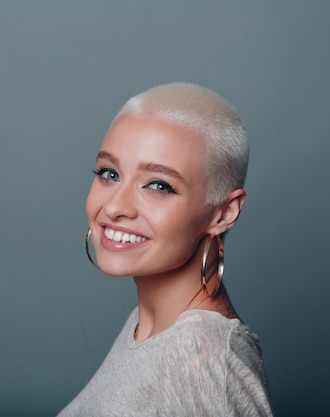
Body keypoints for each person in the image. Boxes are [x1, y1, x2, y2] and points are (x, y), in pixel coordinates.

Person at [58, 82, 274, 416]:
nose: (115, 206)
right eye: (109, 173)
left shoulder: (202, 356)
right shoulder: (152, 325)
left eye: (159, 185)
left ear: (223, 213)